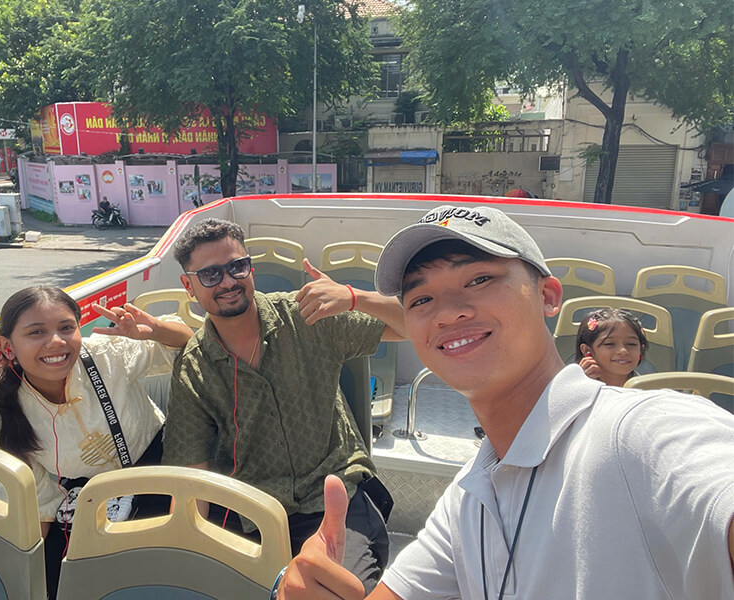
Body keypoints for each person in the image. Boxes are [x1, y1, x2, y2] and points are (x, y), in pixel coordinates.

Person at [277, 205, 734, 599]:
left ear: (548, 296)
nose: (447, 311)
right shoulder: (467, 501)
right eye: (421, 299)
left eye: (479, 279)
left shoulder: (646, 434)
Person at [161, 218, 408, 593]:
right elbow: (194, 479)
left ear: (250, 268)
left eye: (237, 267)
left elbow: (417, 325)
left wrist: (355, 298)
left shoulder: (307, 317)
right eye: (210, 274)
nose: (228, 282)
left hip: (334, 501)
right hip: (253, 517)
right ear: (188, 285)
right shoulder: (194, 368)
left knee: (333, 593)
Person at [0, 285, 193, 599]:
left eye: (66, 328)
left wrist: (154, 329)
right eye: (37, 332)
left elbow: (188, 342)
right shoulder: (5, 422)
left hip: (158, 468)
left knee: (165, 573)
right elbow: (38, 508)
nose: (56, 341)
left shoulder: (104, 355)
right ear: (6, 345)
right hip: (89, 497)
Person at [575, 308, 648, 386]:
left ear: (641, 349)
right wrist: (581, 386)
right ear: (587, 350)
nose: (623, 351)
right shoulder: (574, 388)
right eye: (609, 344)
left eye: (631, 344)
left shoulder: (649, 389)